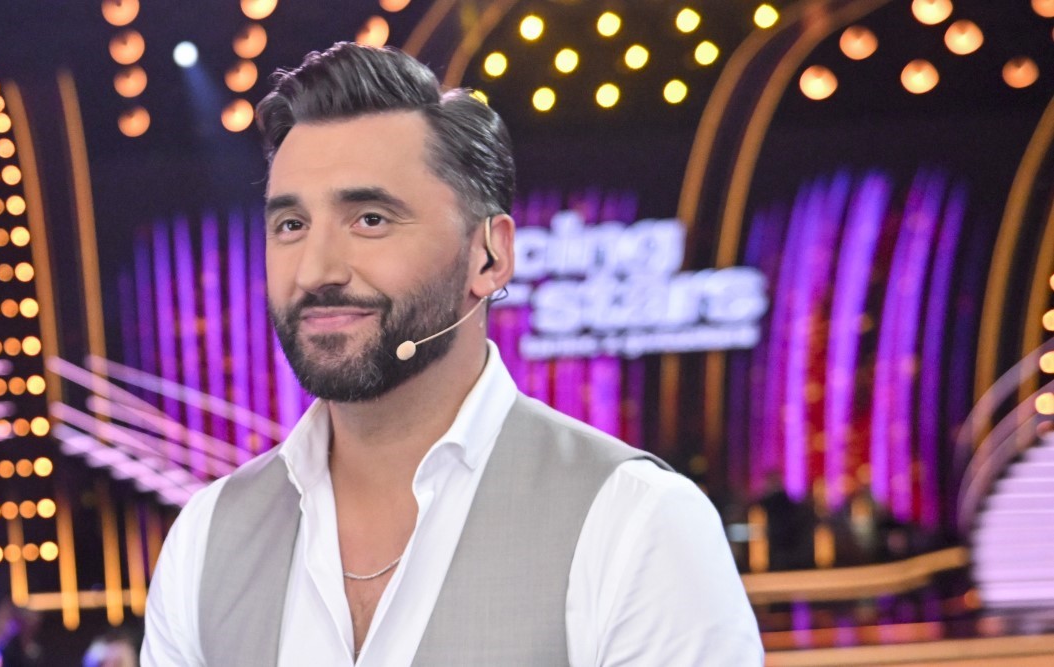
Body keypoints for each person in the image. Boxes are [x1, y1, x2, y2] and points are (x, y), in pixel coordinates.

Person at [142, 42, 762, 666]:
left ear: (489, 255)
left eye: (371, 219)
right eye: (291, 225)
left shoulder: (638, 523)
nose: (315, 271)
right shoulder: (205, 540)